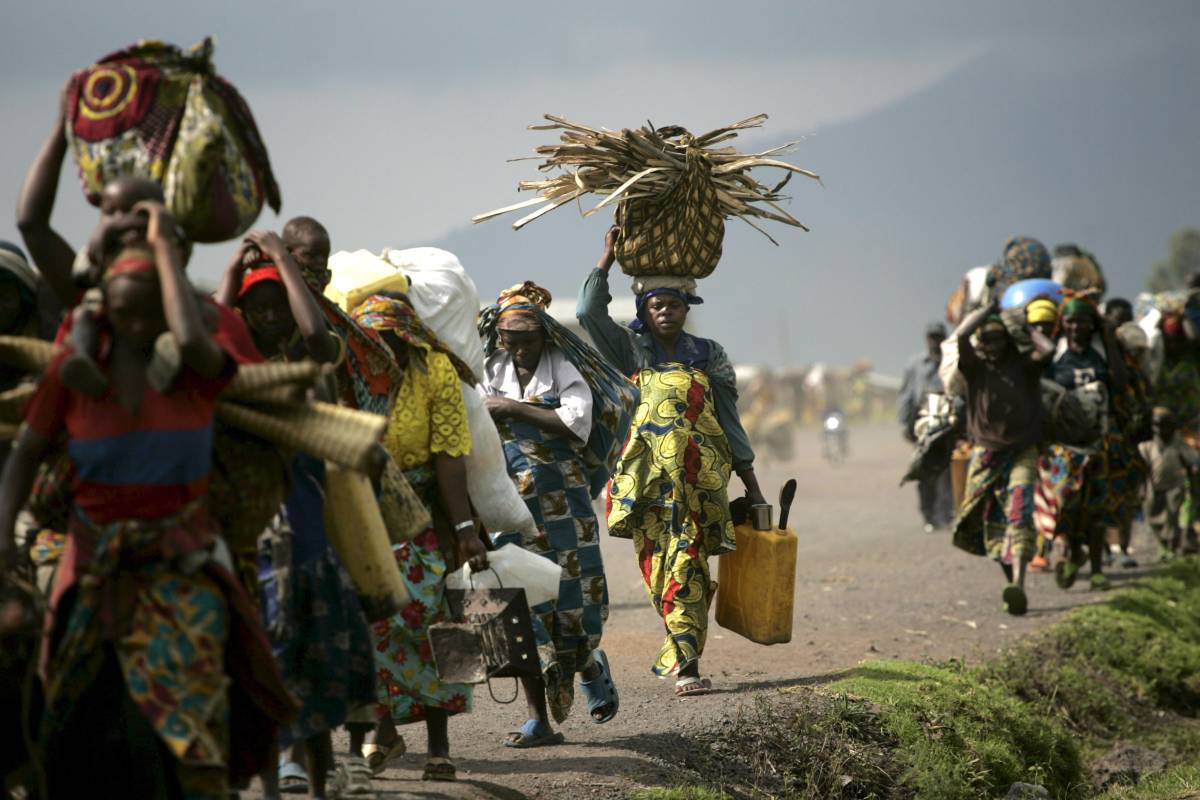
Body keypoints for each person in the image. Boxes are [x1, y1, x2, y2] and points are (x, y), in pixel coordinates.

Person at [0, 201, 294, 799]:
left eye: (147, 310)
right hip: (92, 566)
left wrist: (163, 247)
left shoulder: (197, 368)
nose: (132, 323)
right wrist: (3, 537)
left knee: (194, 738)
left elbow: (190, 333)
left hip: (181, 568)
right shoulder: (76, 370)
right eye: (121, 309)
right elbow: (26, 453)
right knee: (60, 712)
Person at [218, 232, 374, 800]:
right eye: (256, 308)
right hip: (253, 528)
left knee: (317, 646)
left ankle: (322, 770)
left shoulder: (307, 365)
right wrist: (236, 265)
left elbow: (315, 332)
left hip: (306, 517)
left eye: (277, 306)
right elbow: (209, 324)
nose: (267, 317)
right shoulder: (233, 367)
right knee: (265, 653)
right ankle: (280, 772)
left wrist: (282, 262)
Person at [577, 228, 766, 696]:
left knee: (690, 565)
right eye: (656, 305)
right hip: (643, 483)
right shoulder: (627, 350)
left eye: (674, 305)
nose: (665, 312)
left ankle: (687, 665)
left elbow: (729, 419)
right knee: (658, 566)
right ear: (643, 311)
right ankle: (678, 644)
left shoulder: (709, 355)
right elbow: (586, 311)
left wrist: (753, 484)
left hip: (700, 481)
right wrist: (605, 259)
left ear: (687, 309)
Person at [350, 291, 488, 783]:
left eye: (390, 339)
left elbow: (451, 455)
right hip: (366, 509)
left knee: (436, 625)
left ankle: (439, 745)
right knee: (372, 624)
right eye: (373, 339)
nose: (381, 347)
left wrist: (466, 530)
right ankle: (383, 730)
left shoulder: (434, 371)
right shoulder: (354, 373)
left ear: (406, 337)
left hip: (427, 514)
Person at [480, 282, 621, 748]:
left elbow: (574, 423)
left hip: (564, 506)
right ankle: (539, 720)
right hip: (506, 504)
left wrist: (509, 408)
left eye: (526, 338)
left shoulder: (562, 366)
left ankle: (588, 667)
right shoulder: (489, 368)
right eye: (509, 338)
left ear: (544, 335)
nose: (518, 348)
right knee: (517, 608)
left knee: (570, 601)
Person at [951, 300, 1051, 616]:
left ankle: (1019, 584)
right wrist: (988, 310)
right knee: (983, 521)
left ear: (1007, 340)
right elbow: (962, 336)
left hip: (1022, 450)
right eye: (986, 341)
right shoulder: (975, 367)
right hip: (986, 454)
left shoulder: (1024, 365)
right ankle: (1011, 579)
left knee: (1019, 513)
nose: (991, 346)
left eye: (997, 339)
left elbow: (1047, 350)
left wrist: (1023, 324)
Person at [1039, 294, 1145, 591]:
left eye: (1082, 321)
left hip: (1100, 442)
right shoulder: (1056, 355)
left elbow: (1121, 382)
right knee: (1066, 503)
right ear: (1063, 324)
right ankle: (1072, 551)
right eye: (1070, 321)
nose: (1076, 327)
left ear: (1091, 324)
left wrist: (1108, 336)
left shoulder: (1101, 352)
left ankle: (1097, 571)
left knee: (1097, 509)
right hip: (1065, 445)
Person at [898, 322, 954, 531]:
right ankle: (928, 514)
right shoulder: (915, 365)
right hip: (922, 423)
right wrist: (904, 424)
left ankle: (946, 513)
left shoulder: (952, 361)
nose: (934, 341)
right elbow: (905, 395)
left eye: (938, 337)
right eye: (931, 337)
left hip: (948, 421)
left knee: (947, 471)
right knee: (924, 471)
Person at [1138, 407, 1200, 560]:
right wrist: (1142, 488)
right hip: (1154, 486)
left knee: (1172, 518)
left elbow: (1192, 464)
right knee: (1152, 516)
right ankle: (1163, 544)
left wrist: (1193, 488)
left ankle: (1171, 547)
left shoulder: (1179, 445)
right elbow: (1143, 470)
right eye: (1156, 425)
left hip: (1175, 486)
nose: (1158, 430)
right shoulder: (1147, 447)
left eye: (1162, 425)